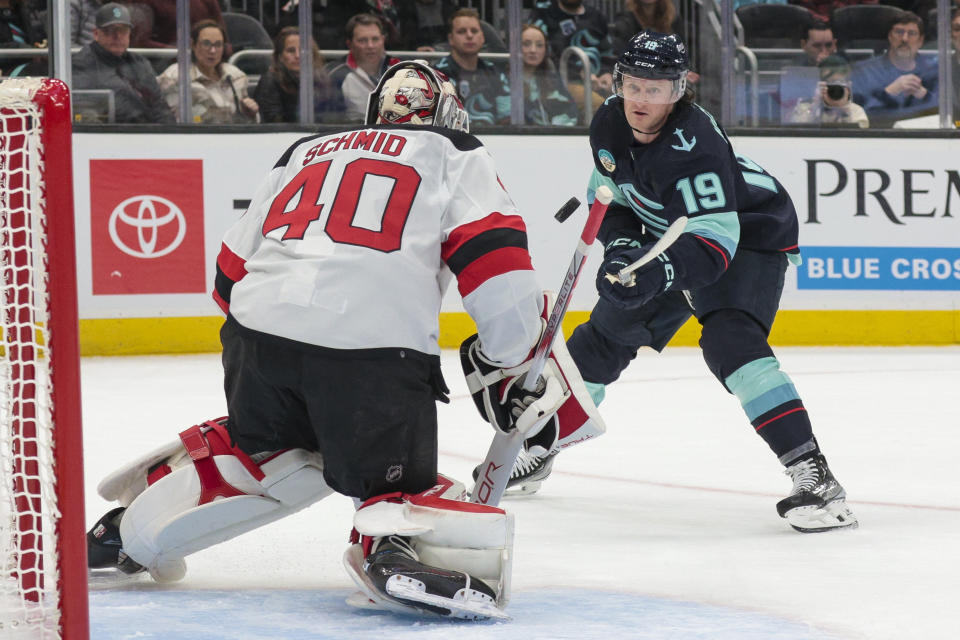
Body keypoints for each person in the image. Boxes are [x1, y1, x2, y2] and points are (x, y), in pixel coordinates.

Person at [84, 59, 596, 620]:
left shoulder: (306, 149)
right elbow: (498, 265)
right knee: (388, 478)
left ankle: (124, 532)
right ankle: (396, 543)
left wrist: (284, 327)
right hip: (372, 356)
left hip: (254, 343)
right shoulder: (455, 151)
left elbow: (228, 274)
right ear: (447, 114)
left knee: (273, 450)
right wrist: (512, 359)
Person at [486, 30, 859, 534]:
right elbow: (611, 199)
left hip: (747, 235)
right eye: (633, 85)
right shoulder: (609, 122)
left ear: (679, 90)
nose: (642, 99)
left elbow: (714, 244)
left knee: (732, 343)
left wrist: (655, 270)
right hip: (671, 233)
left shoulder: (696, 143)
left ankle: (815, 477)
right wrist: (621, 250)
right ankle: (545, 443)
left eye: (656, 89)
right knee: (600, 341)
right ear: (618, 82)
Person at [72, 2, 174, 124]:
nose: (117, 36)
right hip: (109, 134)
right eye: (110, 31)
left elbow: (159, 105)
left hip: (147, 134)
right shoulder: (82, 63)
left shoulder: (140, 63)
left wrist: (168, 133)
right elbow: (85, 110)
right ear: (96, 34)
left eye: (123, 30)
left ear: (130, 34)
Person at [157, 20, 259, 124]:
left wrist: (252, 114)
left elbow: (249, 122)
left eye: (218, 45)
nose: (213, 51)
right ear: (193, 44)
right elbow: (171, 123)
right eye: (206, 44)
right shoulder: (176, 77)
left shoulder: (236, 76)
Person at [850, 11, 938, 127]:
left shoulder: (934, 71)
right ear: (890, 36)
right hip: (878, 136)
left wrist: (926, 96)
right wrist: (889, 93)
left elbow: (950, 114)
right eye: (899, 32)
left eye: (911, 33)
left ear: (921, 41)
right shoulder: (865, 71)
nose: (905, 39)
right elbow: (858, 117)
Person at [528, 0, 616, 109]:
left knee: (625, 103)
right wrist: (581, 72)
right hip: (560, 82)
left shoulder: (596, 16)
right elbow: (544, 55)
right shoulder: (545, 14)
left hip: (597, 80)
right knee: (601, 106)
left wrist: (606, 73)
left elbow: (608, 52)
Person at [433, 8, 511, 126]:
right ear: (451, 39)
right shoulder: (437, 75)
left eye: (474, 31)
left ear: (483, 37)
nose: (469, 36)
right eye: (462, 31)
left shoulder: (495, 73)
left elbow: (507, 118)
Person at [253, 26, 344, 124]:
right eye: (291, 51)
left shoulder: (324, 80)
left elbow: (337, 117)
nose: (297, 55)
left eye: (303, 50)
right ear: (280, 56)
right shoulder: (269, 81)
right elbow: (272, 122)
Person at [327, 13, 400, 122]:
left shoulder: (400, 69)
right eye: (362, 40)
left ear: (383, 40)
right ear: (349, 44)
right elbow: (329, 120)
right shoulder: (334, 74)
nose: (370, 46)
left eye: (375, 39)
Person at [520, 23, 579, 126]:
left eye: (539, 45)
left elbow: (570, 111)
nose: (533, 50)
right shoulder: (504, 79)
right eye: (526, 44)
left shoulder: (550, 78)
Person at [787, 55, 869, 127]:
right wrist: (815, 107)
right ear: (818, 83)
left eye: (839, 83)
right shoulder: (804, 108)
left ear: (848, 85)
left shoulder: (856, 111)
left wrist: (845, 113)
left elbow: (859, 140)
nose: (833, 88)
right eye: (829, 83)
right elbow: (798, 135)